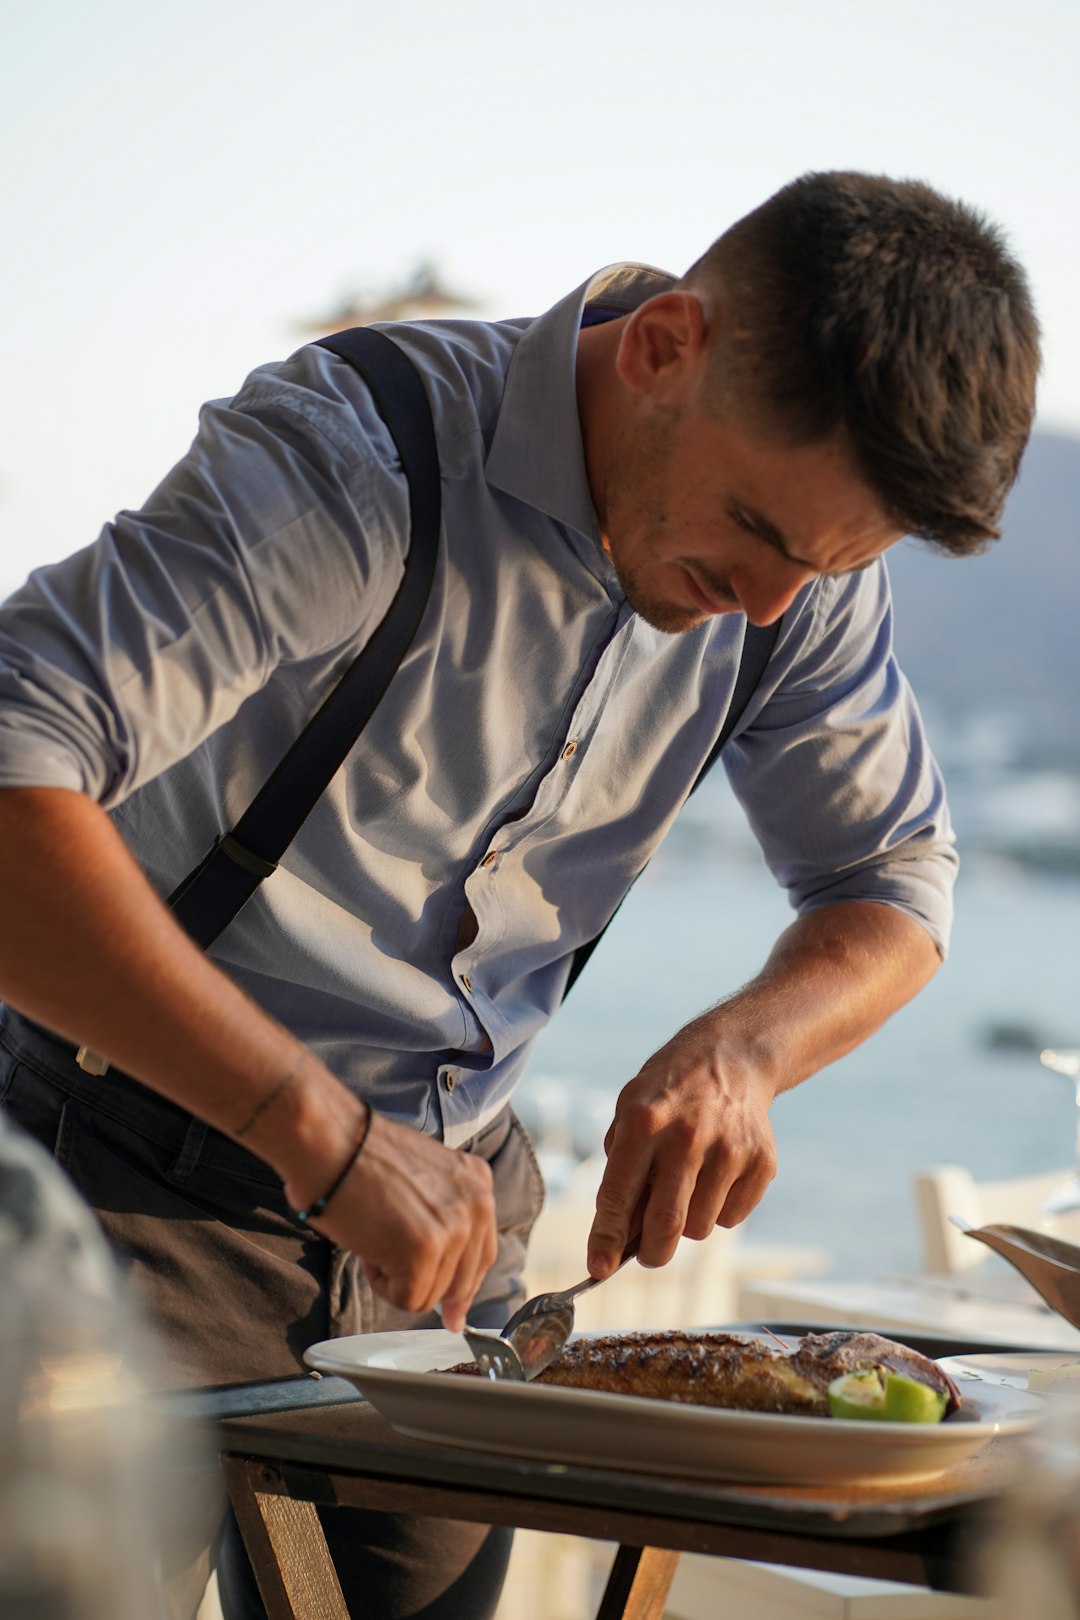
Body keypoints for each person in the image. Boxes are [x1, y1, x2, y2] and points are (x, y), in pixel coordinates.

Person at [0, 170, 1039, 1617]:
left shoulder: (791, 579)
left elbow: (895, 881)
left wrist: (744, 1050)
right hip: (123, 1187)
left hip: (452, 1240)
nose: (768, 608)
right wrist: (323, 1132)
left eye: (831, 565)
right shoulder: (355, 462)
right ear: (666, 342)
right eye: (756, 530)